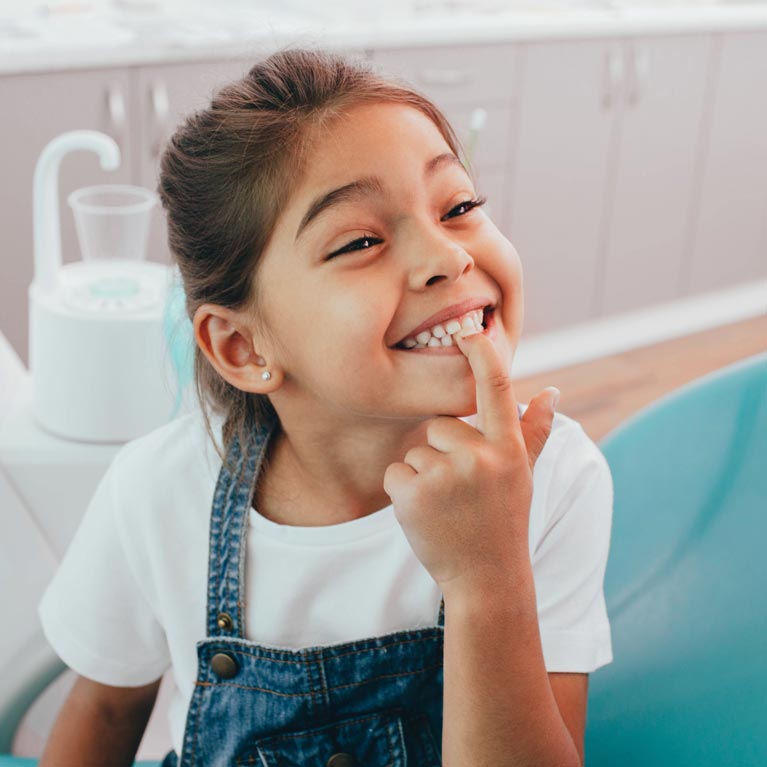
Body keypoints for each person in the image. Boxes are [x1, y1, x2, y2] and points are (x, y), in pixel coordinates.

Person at [38, 48, 613, 766]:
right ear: (244, 347)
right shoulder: (154, 491)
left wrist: (487, 576)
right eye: (361, 240)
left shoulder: (554, 476)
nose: (447, 255)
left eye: (458, 205)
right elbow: (103, 704)